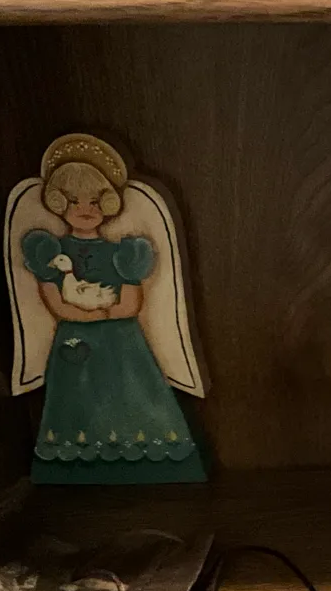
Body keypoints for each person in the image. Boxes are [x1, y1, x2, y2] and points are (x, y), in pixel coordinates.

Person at [21, 149, 204, 483]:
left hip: (122, 344)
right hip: (76, 344)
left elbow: (131, 303)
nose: (86, 209)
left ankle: (152, 466)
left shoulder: (124, 252)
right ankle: (73, 469)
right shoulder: (50, 251)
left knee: (131, 395)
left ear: (108, 202)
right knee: (77, 400)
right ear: (58, 202)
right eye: (74, 201)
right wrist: (94, 314)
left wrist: (96, 313)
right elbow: (55, 302)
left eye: (94, 201)